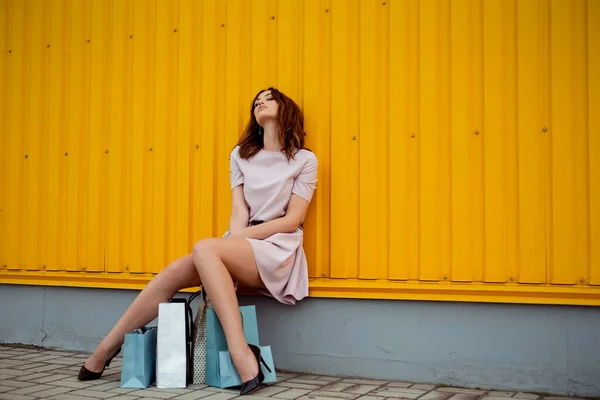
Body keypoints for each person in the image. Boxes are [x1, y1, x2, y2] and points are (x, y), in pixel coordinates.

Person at [78, 87, 318, 396]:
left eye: (268, 98)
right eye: (256, 101)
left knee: (204, 247)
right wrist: (234, 239)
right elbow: (238, 211)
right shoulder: (241, 155)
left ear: (285, 108)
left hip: (277, 249)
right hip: (241, 244)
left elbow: (292, 219)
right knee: (177, 270)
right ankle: (106, 348)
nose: (260, 102)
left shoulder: (304, 160)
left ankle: (241, 351)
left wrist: (238, 238)